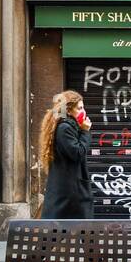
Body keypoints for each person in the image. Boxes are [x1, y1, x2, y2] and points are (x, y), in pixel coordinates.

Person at [38, 90, 93, 219]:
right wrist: (85, 131)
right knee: (76, 229)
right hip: (70, 192)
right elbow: (78, 153)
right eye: (79, 108)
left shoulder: (71, 126)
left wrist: (81, 129)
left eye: (83, 107)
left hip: (70, 190)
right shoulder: (65, 128)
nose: (83, 111)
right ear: (68, 111)